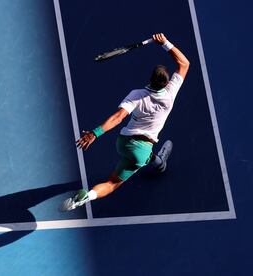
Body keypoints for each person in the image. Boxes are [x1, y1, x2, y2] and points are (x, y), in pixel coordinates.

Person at [61, 33, 190, 211]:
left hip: (123, 143)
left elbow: (118, 117)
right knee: (113, 183)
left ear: (150, 80)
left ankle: (159, 163)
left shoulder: (137, 95)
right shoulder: (170, 93)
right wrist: (165, 43)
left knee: (142, 159)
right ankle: (88, 197)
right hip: (141, 150)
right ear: (166, 82)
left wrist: (94, 133)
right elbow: (184, 63)